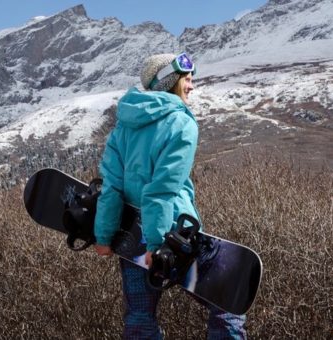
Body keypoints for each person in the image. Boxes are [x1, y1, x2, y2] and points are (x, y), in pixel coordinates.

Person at [94, 53, 247, 339]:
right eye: (187, 80)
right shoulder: (181, 123)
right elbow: (161, 190)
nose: (191, 86)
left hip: (129, 237)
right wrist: (157, 243)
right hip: (173, 238)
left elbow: (112, 187)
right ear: (171, 81)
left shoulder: (123, 125)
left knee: (140, 318)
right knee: (228, 304)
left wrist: (103, 237)